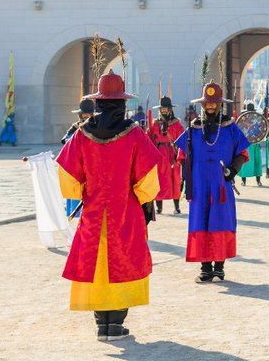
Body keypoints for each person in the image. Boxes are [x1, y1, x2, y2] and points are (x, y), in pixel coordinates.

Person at [55, 72, 161, 342]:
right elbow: (148, 176)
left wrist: (83, 193)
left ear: (99, 103)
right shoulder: (134, 134)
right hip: (124, 209)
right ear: (122, 103)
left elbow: (67, 175)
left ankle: (102, 324)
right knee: (122, 260)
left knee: (97, 264)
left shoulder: (82, 135)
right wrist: (144, 199)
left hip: (93, 210)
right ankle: (116, 324)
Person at [175, 82, 250, 283]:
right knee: (200, 222)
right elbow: (182, 156)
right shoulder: (193, 129)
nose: (210, 106)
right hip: (199, 186)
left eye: (214, 103)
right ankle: (205, 267)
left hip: (221, 185)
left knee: (220, 222)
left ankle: (219, 267)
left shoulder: (230, 127)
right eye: (207, 103)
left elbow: (242, 153)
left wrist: (233, 170)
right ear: (202, 104)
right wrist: (185, 182)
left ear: (219, 105)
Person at [147, 96, 185, 214]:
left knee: (175, 180)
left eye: (166, 108)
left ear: (170, 109)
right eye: (162, 109)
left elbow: (183, 138)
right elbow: (148, 137)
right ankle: (159, 207)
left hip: (172, 153)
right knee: (159, 180)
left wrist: (179, 153)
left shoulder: (176, 124)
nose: (164, 111)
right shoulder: (155, 124)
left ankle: (177, 206)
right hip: (159, 155)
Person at [61, 99, 96, 218]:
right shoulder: (76, 126)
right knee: (76, 190)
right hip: (77, 165)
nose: (85, 115)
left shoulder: (97, 126)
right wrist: (73, 140)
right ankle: (75, 215)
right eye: (84, 113)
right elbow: (65, 140)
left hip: (92, 165)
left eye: (88, 113)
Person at [238, 102, 264, 186]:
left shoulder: (258, 120)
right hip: (245, 144)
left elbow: (261, 130)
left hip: (255, 143)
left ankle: (258, 181)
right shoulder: (242, 120)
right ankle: (243, 181)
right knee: (245, 162)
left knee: (257, 162)